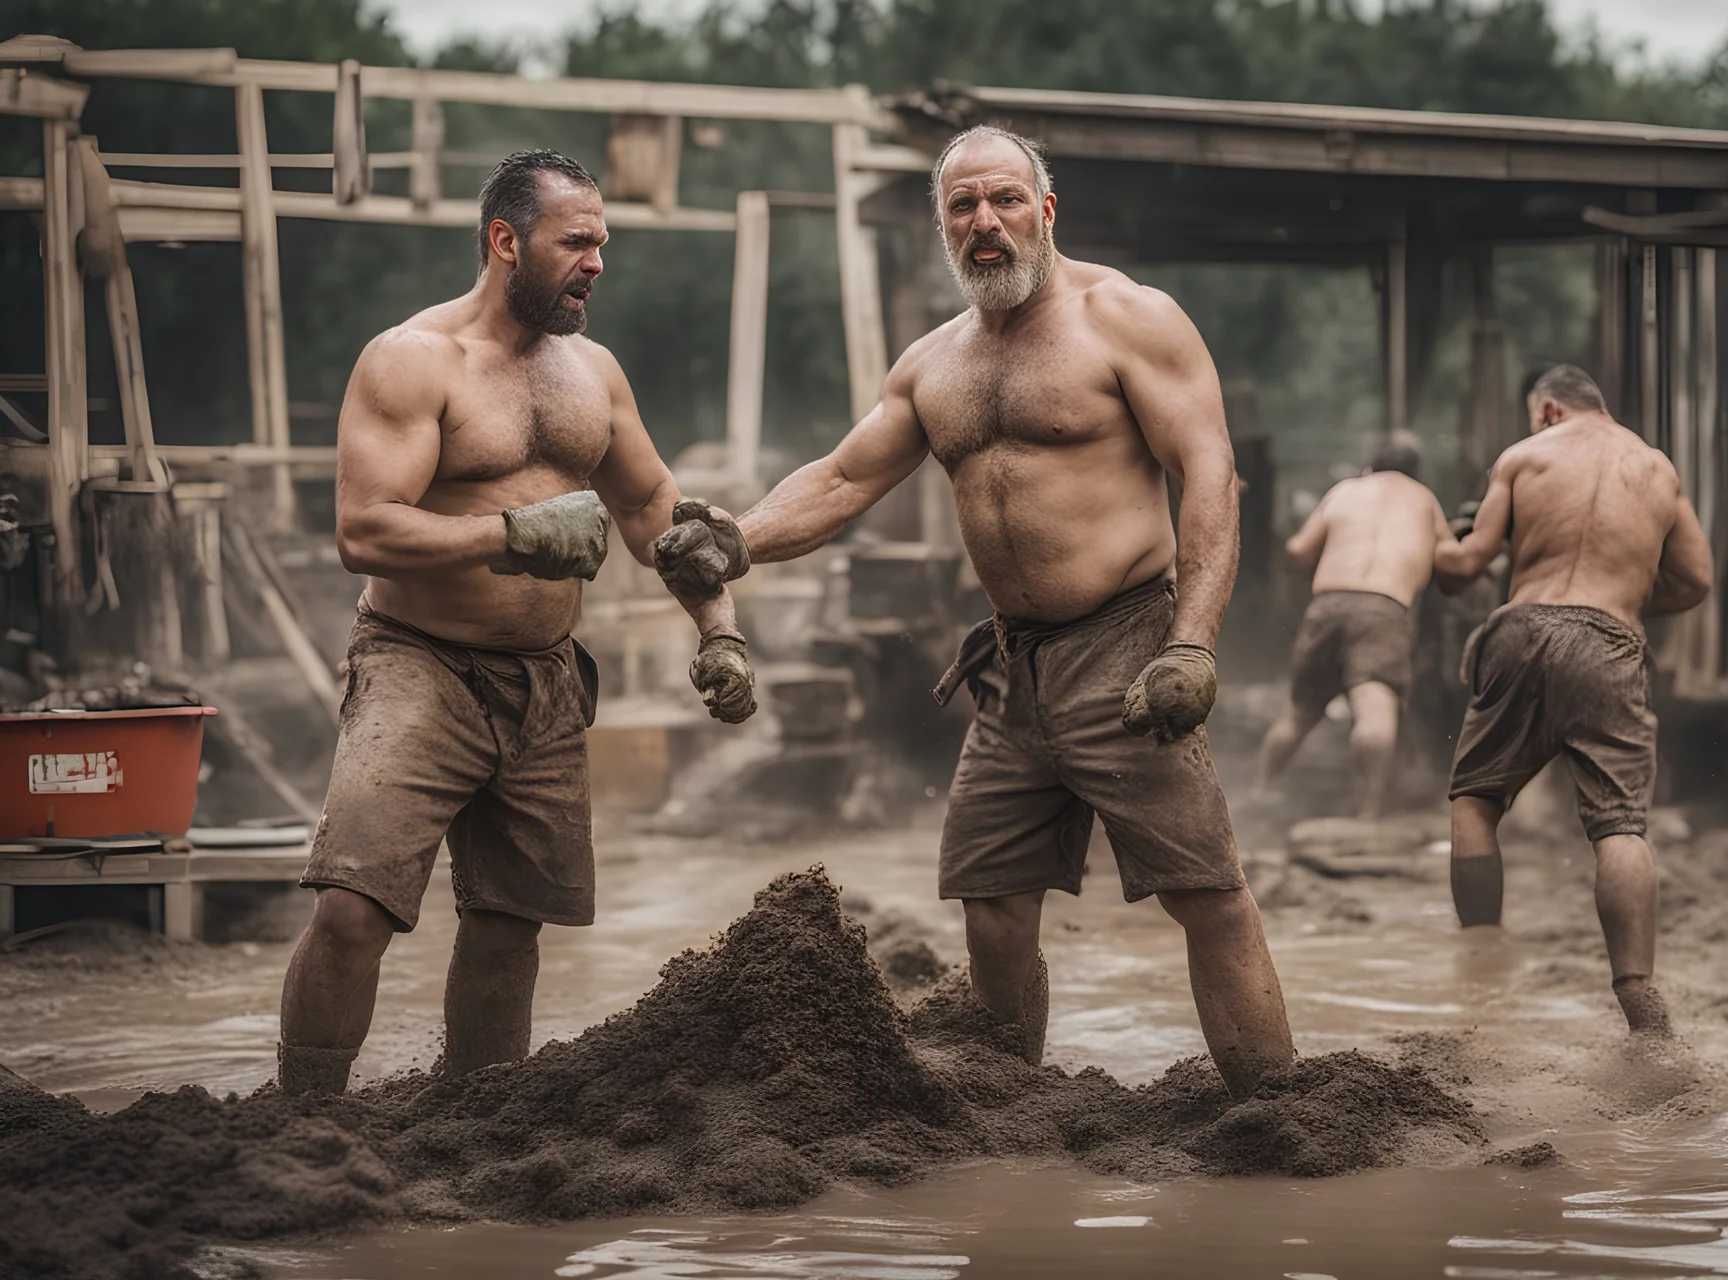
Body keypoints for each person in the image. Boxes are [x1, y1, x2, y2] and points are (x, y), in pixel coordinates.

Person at [653, 125, 1293, 1098]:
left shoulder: (1130, 319)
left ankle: (1281, 1111)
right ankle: (1011, 1108)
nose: (983, 222)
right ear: (943, 227)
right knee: (991, 902)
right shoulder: (932, 365)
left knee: (1204, 892)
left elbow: (1210, 475)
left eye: (1002, 200)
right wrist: (738, 537)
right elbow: (839, 476)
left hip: (1127, 647)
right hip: (1011, 670)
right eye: (963, 206)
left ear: (1045, 210)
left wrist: (1191, 643)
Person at [276, 149, 757, 1096]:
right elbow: (362, 530)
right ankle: (300, 1132)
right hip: (420, 668)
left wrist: (720, 630)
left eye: (602, 243)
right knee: (352, 909)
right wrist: (510, 532)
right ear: (505, 240)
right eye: (577, 241)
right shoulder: (413, 361)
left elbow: (656, 514)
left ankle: (479, 1120)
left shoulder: (595, 375)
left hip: (545, 682)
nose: (598, 262)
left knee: (507, 923)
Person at [1434, 363, 1711, 1036]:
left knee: (1476, 803)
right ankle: (1641, 1002)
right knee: (1619, 825)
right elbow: (1696, 580)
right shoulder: (1658, 469)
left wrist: (1439, 541)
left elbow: (1467, 565)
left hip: (1522, 629)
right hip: (1611, 641)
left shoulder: (1525, 457)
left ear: (1549, 410)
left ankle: (1482, 966)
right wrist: (1629, 600)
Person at [1258, 432, 1453, 818]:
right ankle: (1367, 809)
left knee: (1297, 713)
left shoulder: (1345, 490)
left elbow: (1298, 550)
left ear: (1370, 466)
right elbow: (1453, 559)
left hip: (1329, 602)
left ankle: (1262, 790)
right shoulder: (1425, 500)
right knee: (1374, 709)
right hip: (1384, 608)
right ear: (1416, 472)